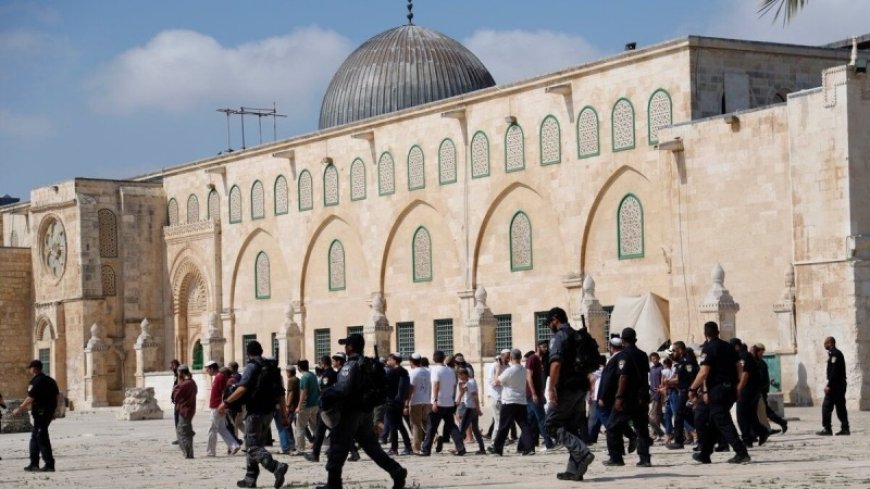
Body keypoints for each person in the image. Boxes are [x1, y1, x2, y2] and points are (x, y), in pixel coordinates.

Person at [316, 333, 407, 489]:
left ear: (350, 347)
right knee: (372, 447)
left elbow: (343, 388)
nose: (345, 348)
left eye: (346, 345)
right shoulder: (368, 363)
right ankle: (396, 470)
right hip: (365, 412)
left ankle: (333, 484)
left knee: (337, 447)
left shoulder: (351, 365)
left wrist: (326, 395)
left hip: (349, 412)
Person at [219, 340, 289, 489]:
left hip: (255, 411)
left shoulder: (252, 367)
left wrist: (226, 402)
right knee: (253, 442)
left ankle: (276, 467)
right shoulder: (272, 368)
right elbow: (281, 394)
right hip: (269, 412)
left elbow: (242, 388)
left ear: (248, 353)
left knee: (252, 446)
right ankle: (250, 478)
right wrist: (284, 415)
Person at [543, 307, 595, 481]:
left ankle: (582, 452)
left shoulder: (560, 336)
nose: (550, 326)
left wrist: (551, 387)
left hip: (566, 388)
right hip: (581, 386)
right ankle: (573, 470)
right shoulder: (577, 335)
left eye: (550, 322)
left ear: (555, 320)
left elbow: (556, 364)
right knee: (571, 427)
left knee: (550, 424)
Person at [689, 322, 751, 464]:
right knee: (714, 422)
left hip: (717, 390)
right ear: (718, 332)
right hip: (730, 389)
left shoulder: (709, 348)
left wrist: (692, 388)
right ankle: (705, 453)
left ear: (705, 334)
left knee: (722, 421)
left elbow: (704, 372)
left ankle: (741, 452)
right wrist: (738, 388)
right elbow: (739, 369)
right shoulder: (729, 346)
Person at [608, 327, 652, 467]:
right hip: (642, 396)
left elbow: (623, 377)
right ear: (635, 339)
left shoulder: (623, 355)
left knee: (612, 426)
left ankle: (616, 458)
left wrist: (619, 397)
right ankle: (644, 458)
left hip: (628, 397)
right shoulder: (643, 355)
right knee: (642, 428)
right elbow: (645, 375)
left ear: (622, 340)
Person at [12, 359, 59, 472]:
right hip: (47, 412)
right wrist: (53, 411)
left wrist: (20, 408)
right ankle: (34, 463)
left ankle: (49, 464)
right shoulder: (50, 380)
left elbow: (31, 397)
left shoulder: (36, 381)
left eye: (30, 368)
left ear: (33, 369)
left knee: (41, 437)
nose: (30, 370)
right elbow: (56, 397)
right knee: (35, 437)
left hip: (41, 413)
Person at [421, 350, 466, 456]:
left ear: (433, 358)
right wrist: (453, 399)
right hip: (448, 402)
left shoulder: (435, 370)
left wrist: (435, 401)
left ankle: (426, 449)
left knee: (431, 427)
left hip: (439, 402)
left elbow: (436, 385)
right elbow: (454, 386)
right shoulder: (451, 371)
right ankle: (461, 447)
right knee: (452, 426)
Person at [489, 348, 531, 456]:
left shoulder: (510, 370)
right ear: (520, 357)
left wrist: (498, 369)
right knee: (524, 425)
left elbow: (496, 382)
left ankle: (497, 448)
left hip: (509, 401)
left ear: (511, 358)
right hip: (521, 401)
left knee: (504, 426)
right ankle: (529, 448)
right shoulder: (523, 370)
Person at [732, 338, 768, 447]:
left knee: (741, 415)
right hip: (752, 390)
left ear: (737, 346)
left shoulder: (743, 356)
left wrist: (739, 388)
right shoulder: (744, 356)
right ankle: (761, 432)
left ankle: (747, 439)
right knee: (751, 415)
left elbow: (745, 375)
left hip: (747, 390)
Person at [666, 341, 698, 450]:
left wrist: (692, 392)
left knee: (679, 415)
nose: (673, 353)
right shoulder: (681, 361)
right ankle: (701, 438)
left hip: (687, 391)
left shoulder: (687, 361)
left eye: (674, 350)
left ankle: (679, 441)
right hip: (683, 391)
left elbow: (692, 377)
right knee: (688, 416)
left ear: (680, 350)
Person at [205, 361, 240, 456]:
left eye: (207, 369)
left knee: (212, 429)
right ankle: (234, 445)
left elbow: (223, 393)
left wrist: (221, 406)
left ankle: (210, 452)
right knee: (222, 428)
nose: (207, 371)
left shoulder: (219, 377)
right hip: (219, 406)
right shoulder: (219, 377)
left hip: (217, 406)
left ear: (212, 368)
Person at [524, 340, 554, 451]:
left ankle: (523, 445)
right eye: (543, 346)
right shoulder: (532, 359)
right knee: (541, 419)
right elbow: (529, 377)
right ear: (537, 347)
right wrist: (534, 394)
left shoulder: (541, 360)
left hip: (537, 394)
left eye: (546, 347)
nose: (545, 348)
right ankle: (549, 443)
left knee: (529, 420)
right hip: (532, 395)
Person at [751, 343, 788, 434]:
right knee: (762, 411)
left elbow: (762, 379)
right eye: (761, 352)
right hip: (758, 391)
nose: (761, 354)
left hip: (760, 391)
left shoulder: (760, 363)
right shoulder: (756, 361)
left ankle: (778, 423)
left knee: (764, 411)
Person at [817, 336, 850, 436]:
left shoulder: (835, 354)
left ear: (830, 343)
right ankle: (845, 428)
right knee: (840, 407)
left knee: (826, 406)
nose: (824, 345)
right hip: (839, 384)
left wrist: (829, 385)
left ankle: (827, 429)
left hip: (836, 385)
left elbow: (834, 372)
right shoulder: (834, 354)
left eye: (825, 343)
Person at [384, 353, 412, 456]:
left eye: (389, 359)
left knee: (393, 426)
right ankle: (408, 446)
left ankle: (394, 448)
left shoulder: (391, 372)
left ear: (394, 360)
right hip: (400, 401)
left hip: (391, 401)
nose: (388, 361)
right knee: (400, 425)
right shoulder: (404, 371)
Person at [456, 367, 486, 454]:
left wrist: (478, 409)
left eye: (459, 376)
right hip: (472, 408)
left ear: (464, 374)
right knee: (475, 429)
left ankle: (459, 449)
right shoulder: (470, 382)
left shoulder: (470, 383)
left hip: (469, 408)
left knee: (462, 429)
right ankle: (482, 448)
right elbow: (463, 391)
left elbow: (475, 396)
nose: (459, 378)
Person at [294, 359, 321, 455]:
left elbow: (303, 392)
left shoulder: (304, 377)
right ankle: (318, 444)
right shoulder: (313, 375)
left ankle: (300, 449)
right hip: (315, 405)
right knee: (314, 426)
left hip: (306, 406)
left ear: (299, 367)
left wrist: (299, 406)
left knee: (300, 427)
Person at [407, 352, 431, 454]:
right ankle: (434, 438)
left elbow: (411, 388)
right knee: (426, 422)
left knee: (416, 424)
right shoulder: (427, 372)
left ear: (411, 362)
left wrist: (406, 401)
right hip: (426, 400)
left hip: (416, 401)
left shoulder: (413, 372)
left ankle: (416, 447)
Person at [172, 364, 198, 459]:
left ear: (181, 373)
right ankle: (188, 452)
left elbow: (176, 396)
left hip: (184, 409)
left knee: (183, 432)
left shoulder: (184, 384)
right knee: (184, 430)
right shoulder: (192, 382)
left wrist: (178, 383)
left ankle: (188, 453)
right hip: (190, 409)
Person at [648, 352, 665, 442]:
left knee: (653, 415)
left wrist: (661, 390)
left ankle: (655, 433)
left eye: (655, 358)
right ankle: (664, 432)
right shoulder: (651, 368)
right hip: (652, 393)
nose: (654, 360)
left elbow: (663, 381)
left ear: (658, 358)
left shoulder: (661, 368)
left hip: (658, 393)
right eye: (652, 358)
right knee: (658, 414)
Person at [169, 359, 181, 445]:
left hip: (180, 403)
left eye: (171, 365)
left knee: (179, 420)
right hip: (178, 402)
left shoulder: (180, 376)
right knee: (178, 420)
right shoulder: (176, 375)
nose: (170, 367)